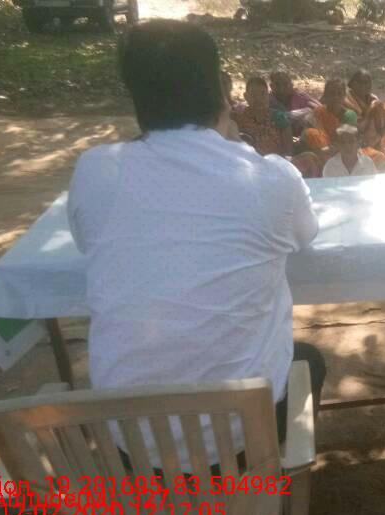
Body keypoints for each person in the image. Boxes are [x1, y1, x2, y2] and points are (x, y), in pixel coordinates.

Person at [67, 21, 325, 468]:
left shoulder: (95, 172)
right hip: (241, 443)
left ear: (138, 99)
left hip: (135, 447)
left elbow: (88, 239)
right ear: (222, 95)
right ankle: (265, 496)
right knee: (309, 362)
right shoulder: (270, 178)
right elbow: (307, 234)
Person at [231, 76, 322, 178]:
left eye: (262, 94)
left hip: (277, 166)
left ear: (268, 96)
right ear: (246, 96)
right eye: (253, 95)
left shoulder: (278, 117)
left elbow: (288, 151)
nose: (258, 99)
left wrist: (283, 166)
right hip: (250, 167)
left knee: (310, 158)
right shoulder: (238, 119)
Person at [344, 69, 385, 167]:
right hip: (357, 141)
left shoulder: (373, 99)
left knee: (380, 109)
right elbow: (358, 127)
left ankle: (379, 147)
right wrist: (370, 110)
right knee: (380, 160)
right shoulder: (347, 100)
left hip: (374, 139)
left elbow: (384, 121)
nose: (363, 86)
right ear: (352, 84)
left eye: (366, 83)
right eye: (359, 82)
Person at [303, 77, 359, 159]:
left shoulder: (349, 115)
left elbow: (346, 141)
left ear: (344, 96)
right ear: (325, 95)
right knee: (311, 132)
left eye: (339, 94)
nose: (336, 97)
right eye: (332, 93)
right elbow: (307, 132)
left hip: (341, 151)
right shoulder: (319, 111)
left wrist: (327, 149)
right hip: (319, 150)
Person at [269, 70, 321, 135]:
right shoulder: (268, 99)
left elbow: (319, 108)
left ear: (291, 85)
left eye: (285, 84)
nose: (281, 89)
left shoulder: (300, 96)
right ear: (271, 86)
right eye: (277, 84)